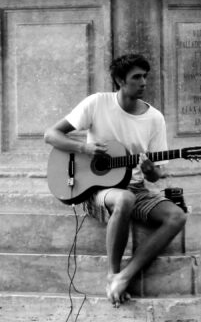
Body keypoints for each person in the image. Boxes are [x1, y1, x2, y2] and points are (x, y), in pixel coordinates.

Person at [44, 53, 186, 306]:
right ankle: (112, 272)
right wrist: (84, 149)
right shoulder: (97, 103)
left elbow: (156, 174)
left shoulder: (154, 118)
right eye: (137, 77)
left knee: (177, 216)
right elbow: (51, 135)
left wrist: (150, 169)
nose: (143, 82)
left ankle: (125, 275)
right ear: (120, 80)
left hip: (135, 187)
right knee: (124, 198)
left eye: (145, 76)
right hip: (95, 188)